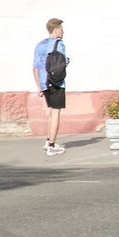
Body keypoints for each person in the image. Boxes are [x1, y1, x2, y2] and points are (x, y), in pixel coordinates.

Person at [33, 18, 69, 156]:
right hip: (56, 83)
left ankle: (48, 141)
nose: (63, 31)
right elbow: (62, 63)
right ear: (56, 30)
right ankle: (52, 146)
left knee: (51, 112)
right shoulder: (59, 44)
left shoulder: (40, 45)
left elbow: (35, 67)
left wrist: (39, 86)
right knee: (56, 113)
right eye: (61, 29)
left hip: (44, 83)